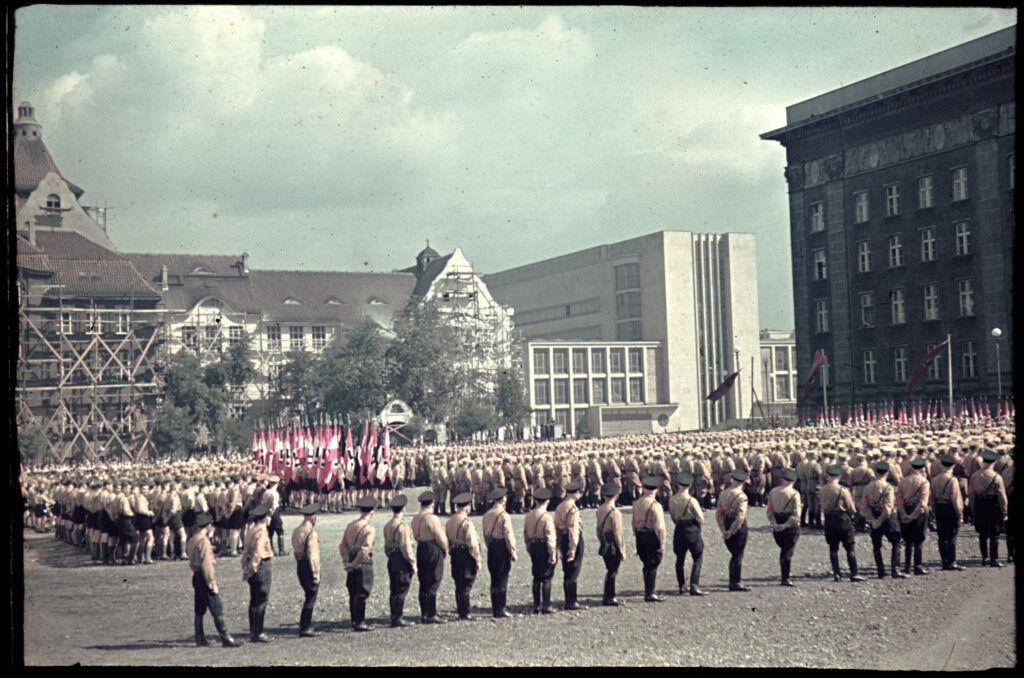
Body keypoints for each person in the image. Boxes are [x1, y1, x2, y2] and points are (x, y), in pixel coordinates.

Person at [187, 512, 241, 648]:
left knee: (199, 608)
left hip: (196, 575)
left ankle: (199, 637)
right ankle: (225, 637)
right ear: (208, 525)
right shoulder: (203, 541)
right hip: (204, 576)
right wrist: (212, 582)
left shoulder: (193, 539)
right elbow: (207, 565)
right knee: (216, 607)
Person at [860, 461, 908, 579]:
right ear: (887, 473)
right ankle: (895, 569)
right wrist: (881, 520)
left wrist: (872, 520)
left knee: (876, 545)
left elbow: (864, 506)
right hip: (888, 519)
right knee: (898, 541)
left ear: (875, 472)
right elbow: (888, 507)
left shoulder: (867, 487)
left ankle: (880, 570)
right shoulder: (888, 488)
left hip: (874, 516)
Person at [819, 465, 865, 582]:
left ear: (828, 476)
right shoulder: (843, 490)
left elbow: (822, 505)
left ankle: (836, 574)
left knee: (833, 548)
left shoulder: (822, 489)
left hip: (829, 519)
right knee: (850, 547)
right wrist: (853, 515)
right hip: (843, 519)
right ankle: (854, 573)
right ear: (839, 476)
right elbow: (851, 507)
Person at [411, 490, 449, 624]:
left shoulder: (415, 518)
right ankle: (431, 613)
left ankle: (424, 613)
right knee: (433, 580)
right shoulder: (431, 518)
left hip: (421, 548)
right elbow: (440, 537)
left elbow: (415, 536)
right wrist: (445, 549)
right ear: (432, 503)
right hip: (432, 548)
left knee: (424, 582)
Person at [342, 495, 377, 632]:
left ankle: (353, 619)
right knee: (362, 592)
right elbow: (365, 550)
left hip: (351, 560)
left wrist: (347, 561)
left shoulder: (351, 525)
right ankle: (360, 621)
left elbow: (343, 545)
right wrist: (356, 563)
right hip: (363, 563)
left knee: (352, 592)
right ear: (372, 511)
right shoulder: (369, 529)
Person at [968, 449, 1008, 567]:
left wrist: (973, 509)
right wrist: (1004, 510)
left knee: (982, 534)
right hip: (993, 506)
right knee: (994, 534)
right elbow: (1001, 496)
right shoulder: (997, 477)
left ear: (983, 462)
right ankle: (994, 559)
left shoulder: (975, 476)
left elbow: (971, 494)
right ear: (994, 463)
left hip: (980, 505)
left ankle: (984, 558)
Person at [668, 472, 706, 596]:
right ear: (690, 485)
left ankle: (681, 586)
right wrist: (698, 529)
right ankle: (694, 585)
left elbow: (672, 517)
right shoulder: (691, 500)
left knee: (680, 559)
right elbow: (700, 518)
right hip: (692, 529)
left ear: (678, 484)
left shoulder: (672, 499)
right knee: (697, 556)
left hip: (679, 528)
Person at [481, 487, 517, 618]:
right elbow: (508, 535)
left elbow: (485, 534)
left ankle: (495, 607)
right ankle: (501, 609)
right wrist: (512, 551)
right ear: (502, 499)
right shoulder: (504, 516)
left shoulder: (487, 515)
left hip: (492, 547)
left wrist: (489, 546)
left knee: (494, 578)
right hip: (502, 547)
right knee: (502, 579)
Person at [241, 503, 274, 642]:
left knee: (253, 601)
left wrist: (246, 569)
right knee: (261, 600)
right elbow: (258, 552)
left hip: (251, 566)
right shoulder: (262, 532)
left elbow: (245, 552)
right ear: (265, 518)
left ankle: (253, 631)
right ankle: (258, 632)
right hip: (261, 566)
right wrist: (254, 568)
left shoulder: (251, 530)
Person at [446, 492, 481, 620]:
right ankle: (465, 612)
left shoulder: (450, 521)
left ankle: (461, 610)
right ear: (467, 507)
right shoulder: (467, 522)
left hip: (455, 553)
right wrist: (477, 559)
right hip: (466, 554)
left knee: (458, 583)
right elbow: (472, 543)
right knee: (466, 584)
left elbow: (447, 539)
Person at [383, 494, 417, 627]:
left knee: (394, 588)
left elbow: (386, 546)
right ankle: (398, 617)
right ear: (404, 509)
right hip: (401, 559)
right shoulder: (402, 526)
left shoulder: (388, 525)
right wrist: (413, 563)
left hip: (392, 558)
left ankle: (394, 615)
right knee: (401, 588)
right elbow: (406, 548)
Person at [716, 468, 751, 591]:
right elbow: (740, 516)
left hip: (726, 523)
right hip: (737, 527)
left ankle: (734, 580)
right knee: (738, 554)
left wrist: (723, 530)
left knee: (734, 554)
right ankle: (735, 582)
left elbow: (718, 513)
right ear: (743, 482)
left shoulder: (723, 493)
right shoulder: (742, 496)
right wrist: (732, 530)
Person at [633, 476, 667, 602]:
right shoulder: (655, 505)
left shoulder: (637, 503)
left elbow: (633, 522)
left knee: (646, 564)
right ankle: (650, 593)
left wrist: (636, 535)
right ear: (656, 491)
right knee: (653, 564)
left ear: (644, 489)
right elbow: (660, 527)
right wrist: (662, 543)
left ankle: (648, 590)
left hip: (640, 535)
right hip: (651, 536)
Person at [524, 487, 557, 614]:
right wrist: (552, 552)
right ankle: (546, 606)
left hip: (534, 546)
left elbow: (526, 534)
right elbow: (550, 536)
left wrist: (529, 547)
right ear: (547, 502)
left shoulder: (529, 515)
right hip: (544, 546)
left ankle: (536, 605)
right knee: (547, 577)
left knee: (536, 576)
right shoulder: (546, 517)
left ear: (536, 501)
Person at [553, 480, 586, 610]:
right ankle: (572, 601)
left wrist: (560, 544)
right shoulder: (573, 509)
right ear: (575, 494)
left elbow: (556, 526)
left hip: (564, 538)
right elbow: (573, 530)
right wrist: (573, 548)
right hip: (573, 540)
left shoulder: (560, 506)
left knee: (567, 570)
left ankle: (569, 599)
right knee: (573, 571)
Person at [291, 502, 322, 637]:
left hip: (300, 564)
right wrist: (316, 574)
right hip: (309, 566)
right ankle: (305, 626)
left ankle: (305, 625)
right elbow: (313, 556)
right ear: (313, 517)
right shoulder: (311, 533)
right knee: (310, 597)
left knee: (307, 594)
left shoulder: (297, 530)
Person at [930, 455, 965, 571]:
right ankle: (952, 562)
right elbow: (956, 499)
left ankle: (944, 562)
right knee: (952, 536)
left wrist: (934, 510)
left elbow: (932, 498)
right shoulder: (953, 480)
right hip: (950, 508)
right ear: (953, 466)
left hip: (939, 508)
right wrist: (959, 513)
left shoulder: (934, 479)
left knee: (941, 536)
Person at [767, 467, 801, 587]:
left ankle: (785, 574)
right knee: (787, 551)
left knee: (783, 549)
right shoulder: (794, 494)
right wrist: (786, 525)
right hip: (789, 524)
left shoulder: (773, 491)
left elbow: (769, 510)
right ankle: (785, 577)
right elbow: (797, 513)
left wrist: (774, 523)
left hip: (777, 521)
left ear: (782, 479)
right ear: (794, 481)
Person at [897, 458, 931, 575]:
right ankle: (917, 565)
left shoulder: (903, 481)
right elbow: (922, 502)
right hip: (918, 512)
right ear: (922, 468)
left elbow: (899, 499)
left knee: (906, 540)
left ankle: (907, 566)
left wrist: (903, 514)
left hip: (905, 508)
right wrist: (912, 516)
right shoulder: (924, 482)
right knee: (919, 539)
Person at [595, 482, 626, 606]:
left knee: (609, 570)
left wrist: (601, 540)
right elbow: (617, 533)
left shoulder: (600, 509)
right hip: (612, 542)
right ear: (616, 496)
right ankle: (610, 597)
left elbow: (598, 529)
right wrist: (622, 550)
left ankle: (607, 596)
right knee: (613, 571)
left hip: (604, 541)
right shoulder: (615, 512)